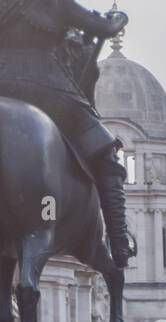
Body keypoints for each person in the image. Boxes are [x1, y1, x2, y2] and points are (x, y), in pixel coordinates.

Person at [0, 1, 135, 267]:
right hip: (46, 89)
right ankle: (119, 242)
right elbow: (105, 28)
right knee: (106, 151)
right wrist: (119, 17)